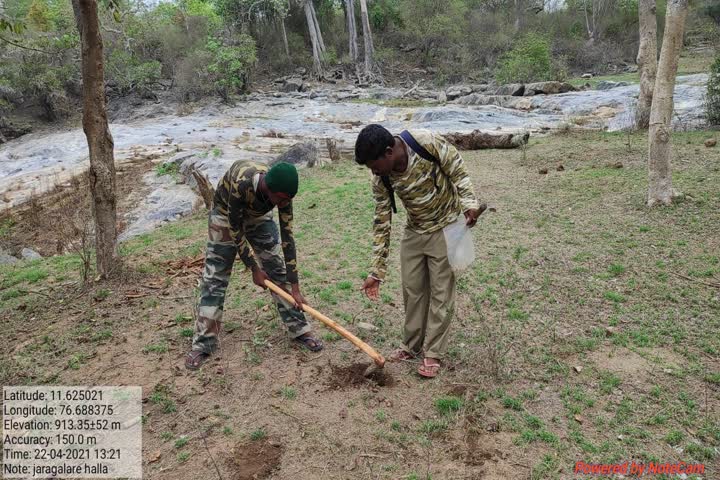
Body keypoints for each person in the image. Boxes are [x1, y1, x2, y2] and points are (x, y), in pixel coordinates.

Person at [354, 124, 481, 378]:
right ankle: (411, 346)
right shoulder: (381, 176)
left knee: (441, 292)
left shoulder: (425, 142)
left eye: (374, 165)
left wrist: (469, 203)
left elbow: (457, 170)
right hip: (415, 230)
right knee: (412, 289)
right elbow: (382, 219)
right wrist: (377, 271)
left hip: (445, 227)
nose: (373, 171)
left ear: (389, 152)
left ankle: (433, 352)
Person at [185, 160, 323, 370]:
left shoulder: (283, 193)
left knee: (277, 269)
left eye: (288, 200)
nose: (285, 204)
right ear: (269, 188)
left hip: (259, 217)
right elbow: (235, 229)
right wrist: (254, 269)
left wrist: (295, 287)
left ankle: (299, 329)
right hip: (225, 215)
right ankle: (204, 343)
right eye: (283, 200)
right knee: (215, 277)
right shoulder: (244, 183)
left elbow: (288, 238)